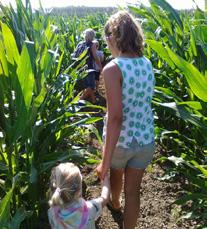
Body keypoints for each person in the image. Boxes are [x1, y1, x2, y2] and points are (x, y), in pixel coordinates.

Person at [96, 11, 155, 229]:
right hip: (145, 140)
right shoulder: (147, 63)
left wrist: (104, 161)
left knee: (115, 171)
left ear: (113, 37)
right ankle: (123, 212)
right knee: (134, 191)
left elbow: (115, 118)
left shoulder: (113, 68)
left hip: (121, 143)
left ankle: (114, 202)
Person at [48, 162, 110, 229]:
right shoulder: (89, 209)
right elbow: (105, 197)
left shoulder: (52, 212)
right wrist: (105, 177)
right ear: (79, 191)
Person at [73, 28, 102, 104]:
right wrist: (101, 68)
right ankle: (78, 101)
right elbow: (96, 58)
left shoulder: (80, 43)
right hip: (88, 68)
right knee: (91, 86)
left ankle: (94, 101)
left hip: (79, 68)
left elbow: (74, 55)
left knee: (88, 86)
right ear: (92, 36)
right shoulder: (91, 45)